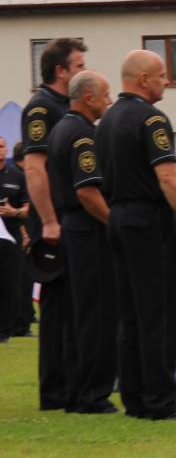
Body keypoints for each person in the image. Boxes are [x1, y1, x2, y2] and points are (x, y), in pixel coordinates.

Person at [99, 49, 176, 420]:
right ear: (143, 79)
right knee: (158, 312)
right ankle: (160, 401)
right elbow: (168, 176)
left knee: (130, 315)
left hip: (118, 219)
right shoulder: (152, 119)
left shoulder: (107, 119)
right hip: (148, 221)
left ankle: (135, 398)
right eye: (161, 74)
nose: (167, 81)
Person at [46, 70, 118, 414]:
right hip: (88, 230)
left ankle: (76, 391)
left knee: (78, 314)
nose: (109, 101)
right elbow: (88, 191)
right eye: (105, 95)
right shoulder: (82, 135)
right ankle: (92, 395)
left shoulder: (61, 128)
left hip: (72, 228)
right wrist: (113, 223)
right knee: (97, 314)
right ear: (88, 98)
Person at [21, 37, 87, 410]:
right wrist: (48, 221)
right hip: (55, 222)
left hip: (73, 219)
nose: (84, 72)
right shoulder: (41, 108)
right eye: (78, 66)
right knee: (59, 306)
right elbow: (35, 167)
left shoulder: (67, 106)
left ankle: (77, 381)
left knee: (78, 305)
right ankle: (56, 391)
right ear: (60, 71)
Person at [1, 139, 31, 340]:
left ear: (7, 150)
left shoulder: (17, 176)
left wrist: (15, 211)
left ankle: (7, 329)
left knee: (11, 285)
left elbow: (30, 208)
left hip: (11, 239)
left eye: (1, 146)